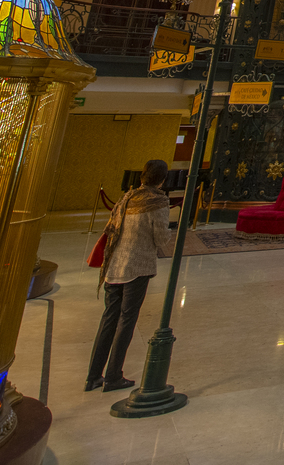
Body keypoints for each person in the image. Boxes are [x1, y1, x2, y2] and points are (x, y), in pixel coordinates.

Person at [86, 158, 173, 392]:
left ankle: (93, 375)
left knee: (108, 320)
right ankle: (113, 375)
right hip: (137, 267)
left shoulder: (127, 197)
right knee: (126, 321)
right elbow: (161, 238)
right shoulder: (157, 202)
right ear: (162, 179)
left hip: (114, 265)